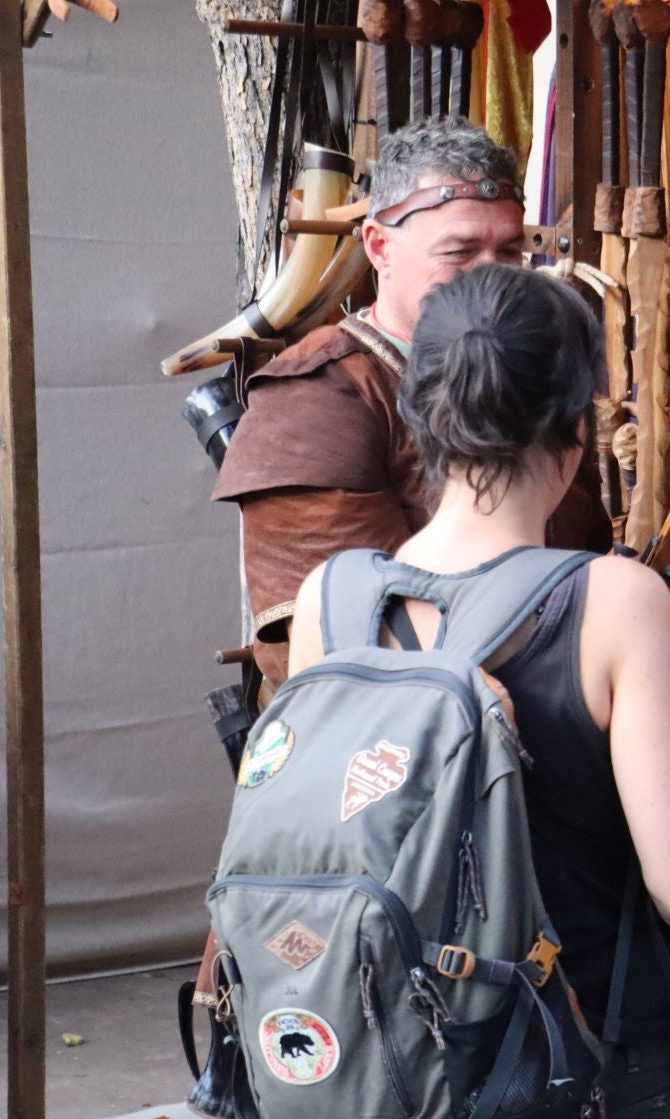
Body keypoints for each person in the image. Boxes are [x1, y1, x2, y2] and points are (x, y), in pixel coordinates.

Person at [283, 265, 670, 1119]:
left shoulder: (336, 597)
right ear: (575, 427)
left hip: (441, 1087)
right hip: (621, 1086)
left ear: (422, 414)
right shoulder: (612, 598)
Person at [215, 116, 613, 691]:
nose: (490, 278)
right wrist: (606, 640)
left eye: (508, 250)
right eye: (459, 251)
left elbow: (581, 545)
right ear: (379, 246)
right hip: (398, 756)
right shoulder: (312, 402)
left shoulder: (537, 369)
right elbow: (352, 649)